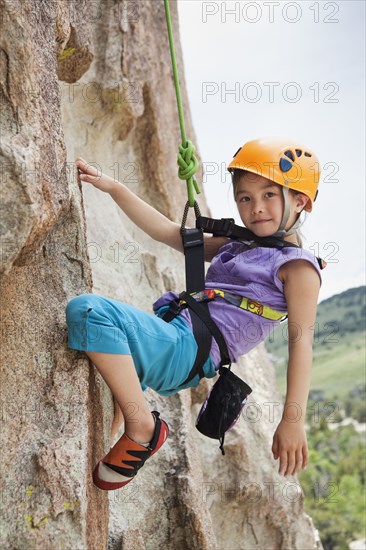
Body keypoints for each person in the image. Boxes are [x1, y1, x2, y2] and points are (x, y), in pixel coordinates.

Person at [65, 136, 323, 491]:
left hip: (186, 349)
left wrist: (292, 420)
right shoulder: (240, 246)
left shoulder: (298, 268)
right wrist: (113, 187)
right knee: (111, 349)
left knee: (87, 309)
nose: (255, 208)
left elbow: (301, 344)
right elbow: (170, 233)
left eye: (268, 195)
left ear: (300, 201)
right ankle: (117, 433)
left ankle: (142, 428)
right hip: (175, 339)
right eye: (245, 198)